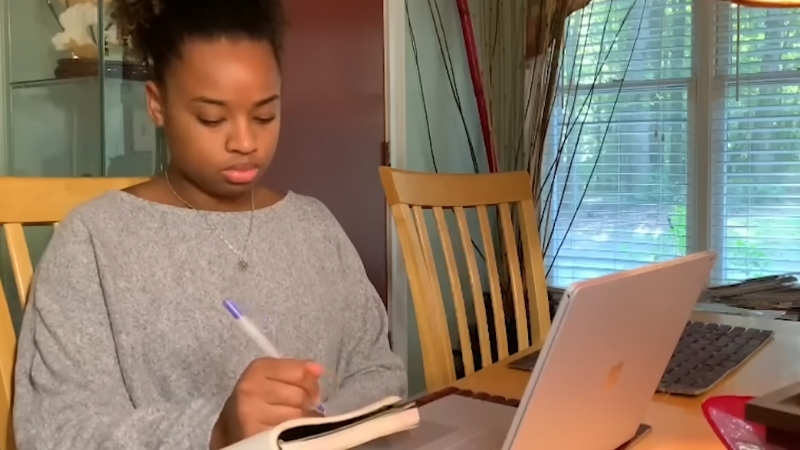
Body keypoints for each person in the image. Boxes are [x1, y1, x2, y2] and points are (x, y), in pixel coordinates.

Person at [12, 0, 407, 448]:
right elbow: (55, 430)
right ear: (157, 105)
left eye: (265, 115)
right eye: (211, 118)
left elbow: (381, 373)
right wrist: (216, 431)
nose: (244, 141)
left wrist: (317, 425)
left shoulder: (315, 227)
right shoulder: (93, 244)